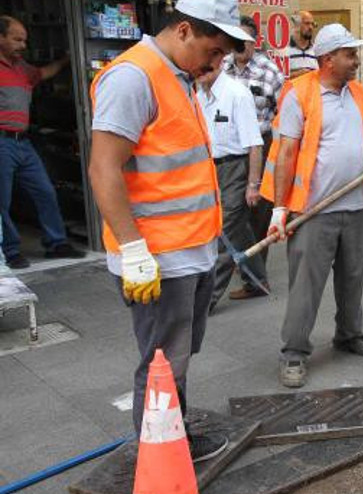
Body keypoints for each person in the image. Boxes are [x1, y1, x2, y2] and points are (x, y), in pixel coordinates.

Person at [87, 0, 252, 461]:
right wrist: (134, 250)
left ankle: (173, 438)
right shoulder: (133, 77)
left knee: (174, 359)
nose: (216, 64)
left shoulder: (178, 76)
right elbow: (103, 168)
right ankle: (160, 456)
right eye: (213, 51)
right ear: (183, 30)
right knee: (161, 361)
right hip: (159, 258)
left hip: (189, 249)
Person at [263, 24, 363, 388]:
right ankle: (293, 352)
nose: (357, 60)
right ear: (328, 59)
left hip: (356, 205)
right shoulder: (299, 93)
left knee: (353, 277)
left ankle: (349, 335)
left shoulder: (358, 93)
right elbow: (286, 153)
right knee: (306, 285)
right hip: (313, 211)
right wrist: (280, 209)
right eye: (350, 54)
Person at [0, 16, 85, 269]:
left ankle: (56, 243)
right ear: (0, 38)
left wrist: (67, 59)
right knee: (2, 201)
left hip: (23, 143)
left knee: (45, 191)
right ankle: (9, 251)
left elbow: (44, 73)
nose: (23, 45)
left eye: (24, 40)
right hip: (2, 142)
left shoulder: (22, 68)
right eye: (17, 39)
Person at [222, 15, 284, 300]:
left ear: (254, 41)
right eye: (234, 38)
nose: (239, 44)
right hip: (231, 150)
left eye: (244, 39)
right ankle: (250, 270)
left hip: (262, 143)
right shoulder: (222, 68)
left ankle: (255, 279)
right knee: (233, 214)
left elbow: (284, 113)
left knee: (259, 213)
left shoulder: (269, 71)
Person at [196, 66, 265, 313]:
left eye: (207, 64)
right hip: (210, 169)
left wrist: (253, 185)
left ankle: (205, 302)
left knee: (223, 235)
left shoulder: (237, 93)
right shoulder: (199, 95)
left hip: (236, 169)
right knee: (240, 229)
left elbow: (255, 144)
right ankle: (257, 281)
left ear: (218, 63)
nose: (200, 70)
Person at [287, 11, 318, 78]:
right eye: (307, 23)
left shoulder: (317, 50)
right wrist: (297, 75)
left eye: (312, 24)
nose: (311, 27)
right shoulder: (283, 50)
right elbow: (276, 78)